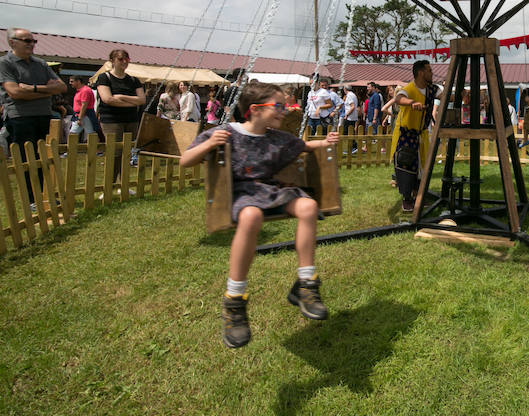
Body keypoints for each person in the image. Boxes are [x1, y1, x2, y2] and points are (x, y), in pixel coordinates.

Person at [179, 82, 340, 348]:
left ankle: (306, 284)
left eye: (284, 106)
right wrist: (209, 146)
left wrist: (325, 142)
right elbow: (185, 161)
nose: (284, 112)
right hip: (241, 195)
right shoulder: (226, 133)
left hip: (271, 192)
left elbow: (303, 147)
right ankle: (234, 300)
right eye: (278, 106)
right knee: (251, 216)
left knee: (309, 206)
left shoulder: (276, 137)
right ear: (254, 110)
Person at [0, 28, 67, 207]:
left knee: (45, 158)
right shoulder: (5, 63)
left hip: (43, 116)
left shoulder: (41, 64)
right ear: (12, 42)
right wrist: (46, 91)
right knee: (26, 160)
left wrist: (32, 89)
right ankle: (31, 199)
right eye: (27, 41)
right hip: (20, 118)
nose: (31, 44)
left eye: (33, 41)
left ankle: (45, 195)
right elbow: (14, 92)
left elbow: (61, 87)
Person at [390, 61, 439, 212]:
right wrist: (411, 103)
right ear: (421, 73)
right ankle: (407, 200)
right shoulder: (409, 89)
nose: (432, 73)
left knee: (421, 168)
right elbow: (399, 99)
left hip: (422, 134)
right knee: (406, 165)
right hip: (406, 134)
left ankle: (418, 196)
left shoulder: (432, 89)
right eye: (429, 70)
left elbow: (446, 95)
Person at [96, 49, 146, 186]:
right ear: (112, 61)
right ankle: (109, 184)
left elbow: (142, 100)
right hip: (111, 120)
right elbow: (107, 99)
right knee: (114, 153)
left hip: (131, 120)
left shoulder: (133, 80)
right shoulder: (104, 78)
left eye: (126, 59)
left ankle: (123, 185)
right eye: (120, 59)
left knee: (127, 153)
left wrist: (121, 97)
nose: (124, 62)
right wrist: (131, 103)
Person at [69, 75, 100, 141]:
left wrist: (80, 118)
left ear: (78, 81)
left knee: (91, 134)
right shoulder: (80, 91)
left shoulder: (85, 91)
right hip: (78, 115)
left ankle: (95, 150)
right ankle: (70, 150)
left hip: (86, 115)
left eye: (72, 81)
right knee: (73, 133)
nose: (70, 83)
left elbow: (84, 105)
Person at [341, 85, 359, 152]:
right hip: (353, 117)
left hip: (350, 117)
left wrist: (347, 114)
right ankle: (353, 146)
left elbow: (352, 106)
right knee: (350, 132)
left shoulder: (349, 96)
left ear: (345, 89)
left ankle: (353, 147)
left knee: (347, 132)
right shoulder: (353, 95)